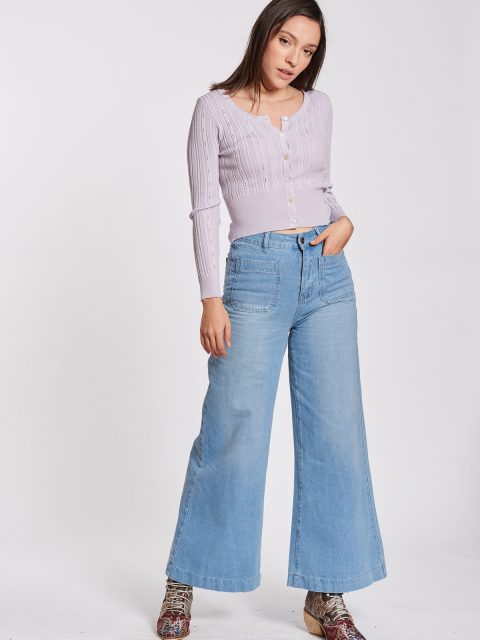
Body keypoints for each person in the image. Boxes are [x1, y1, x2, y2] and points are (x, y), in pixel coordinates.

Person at [156, 1, 387, 638]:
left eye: (308, 50)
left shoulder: (319, 107)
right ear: (264, 36)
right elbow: (205, 208)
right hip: (253, 276)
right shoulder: (214, 110)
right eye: (286, 41)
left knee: (337, 433)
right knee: (233, 427)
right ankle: (184, 577)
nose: (294, 58)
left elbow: (319, 185)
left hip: (326, 274)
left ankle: (325, 594)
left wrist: (344, 219)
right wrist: (210, 297)